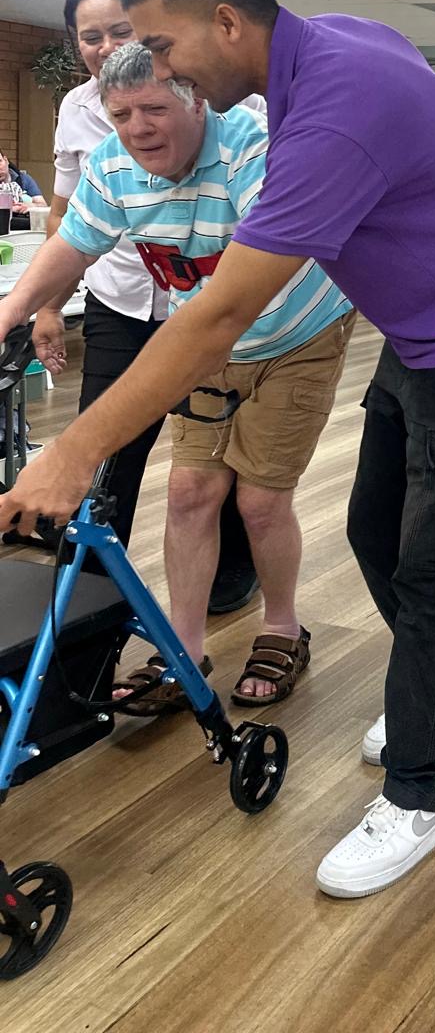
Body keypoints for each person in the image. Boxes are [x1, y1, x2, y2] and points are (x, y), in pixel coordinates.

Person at [0, 0, 435, 899]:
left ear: (227, 23)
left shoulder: (328, 121)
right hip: (421, 330)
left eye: (165, 51)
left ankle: (426, 792)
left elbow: (219, 315)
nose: (149, 73)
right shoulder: (330, 41)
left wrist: (77, 448)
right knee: (373, 527)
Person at [0, 43, 356, 708]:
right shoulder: (113, 165)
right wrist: (14, 308)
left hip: (296, 335)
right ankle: (183, 652)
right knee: (191, 491)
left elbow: (240, 301)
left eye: (155, 108)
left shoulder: (253, 150)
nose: (138, 127)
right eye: (121, 113)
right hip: (203, 337)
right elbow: (74, 243)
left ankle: (282, 628)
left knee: (258, 498)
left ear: (197, 100)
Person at [23, 0, 256, 609]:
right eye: (89, 37)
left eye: (120, 32)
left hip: (207, 297)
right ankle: (88, 593)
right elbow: (65, 217)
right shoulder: (75, 109)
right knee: (110, 448)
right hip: (121, 296)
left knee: (218, 443)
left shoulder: (216, 98)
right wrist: (43, 305)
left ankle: (232, 564)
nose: (105, 47)